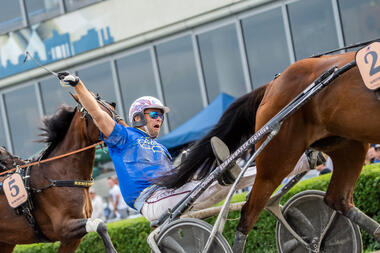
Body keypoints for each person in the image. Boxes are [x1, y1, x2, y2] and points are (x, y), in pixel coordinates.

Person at [57, 72, 318, 221]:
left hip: (176, 194)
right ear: (138, 117)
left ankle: (301, 159)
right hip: (153, 201)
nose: (159, 118)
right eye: (154, 114)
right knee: (224, 177)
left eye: (161, 114)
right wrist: (79, 86)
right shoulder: (122, 137)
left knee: (229, 174)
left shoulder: (160, 148)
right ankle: (297, 162)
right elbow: (99, 115)